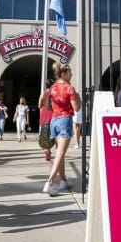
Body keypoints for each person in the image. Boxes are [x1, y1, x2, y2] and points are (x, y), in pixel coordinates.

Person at [42, 65, 81, 195]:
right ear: (64, 74)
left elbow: (46, 105)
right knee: (60, 154)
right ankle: (50, 182)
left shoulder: (52, 88)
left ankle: (63, 180)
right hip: (65, 120)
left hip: (54, 120)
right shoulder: (69, 88)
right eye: (70, 73)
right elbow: (76, 108)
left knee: (60, 153)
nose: (72, 75)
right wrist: (78, 98)